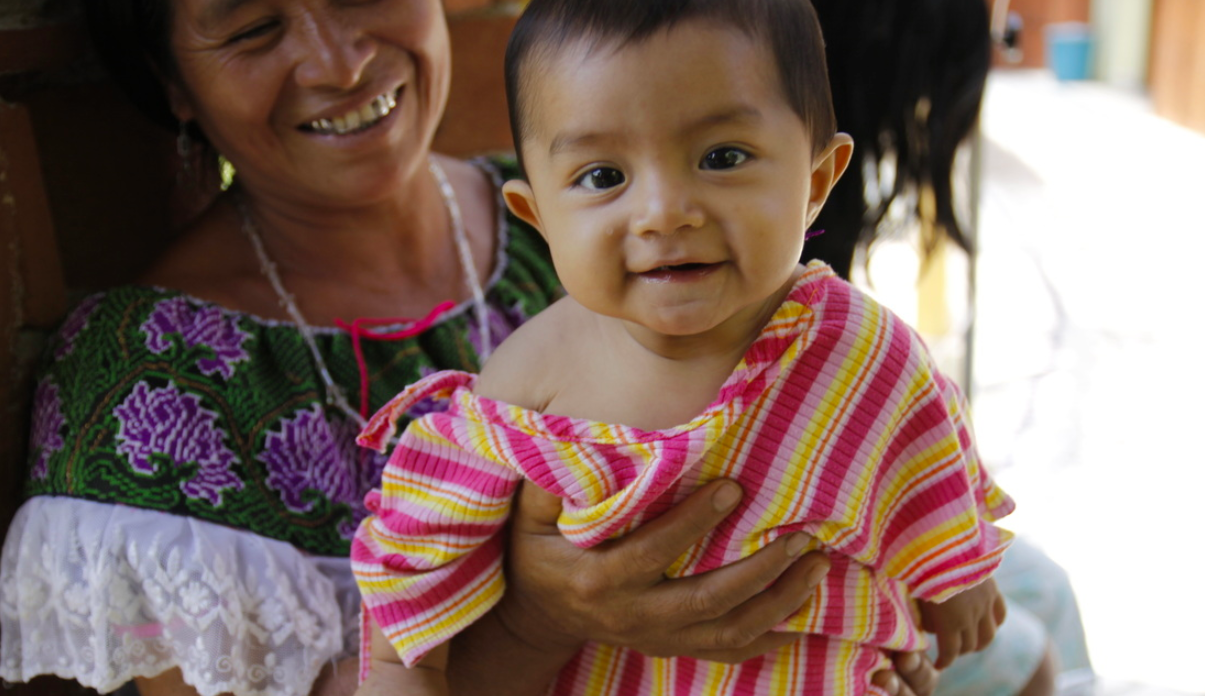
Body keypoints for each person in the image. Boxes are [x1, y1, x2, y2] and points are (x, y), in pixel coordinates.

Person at [0, 1, 940, 695]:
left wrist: (874, 628)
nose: (339, 61)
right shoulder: (141, 384)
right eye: (252, 29)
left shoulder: (585, 218)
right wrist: (535, 619)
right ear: (175, 86)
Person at [351, 2, 1014, 695]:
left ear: (815, 182)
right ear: (539, 217)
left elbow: (922, 440)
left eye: (721, 158)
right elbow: (416, 552)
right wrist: (404, 672)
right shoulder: (533, 381)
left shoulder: (852, 341)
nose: (665, 211)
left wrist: (954, 574)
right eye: (603, 176)